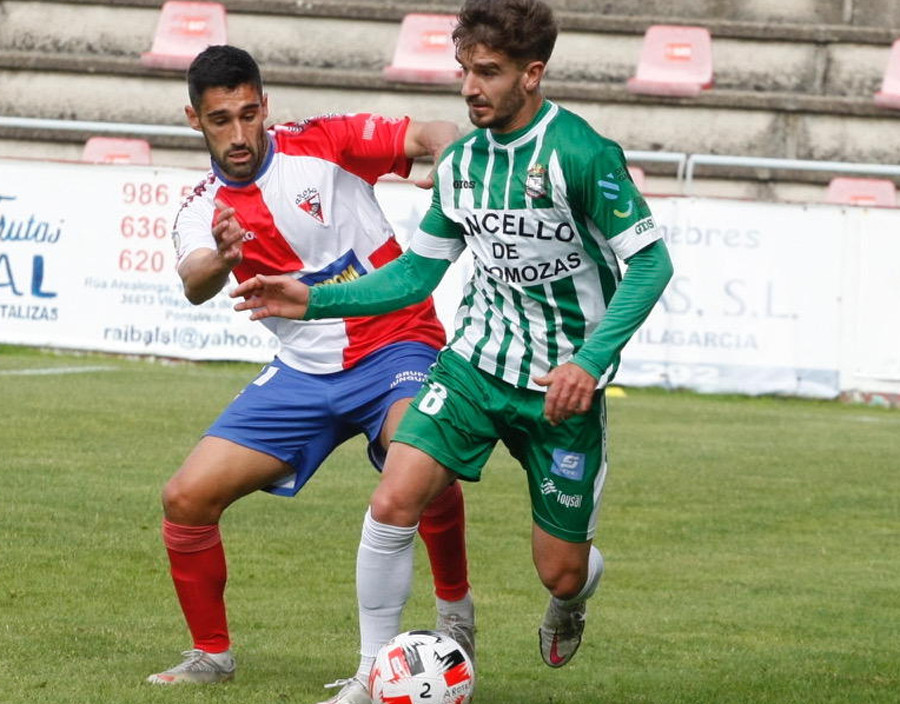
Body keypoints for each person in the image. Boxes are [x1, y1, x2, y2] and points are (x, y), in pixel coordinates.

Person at [232, 0, 674, 697]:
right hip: (472, 368)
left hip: (561, 387)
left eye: (489, 73)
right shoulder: (462, 161)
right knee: (392, 500)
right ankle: (373, 674)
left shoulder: (582, 154)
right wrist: (313, 298)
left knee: (559, 570)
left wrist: (590, 362)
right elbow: (415, 273)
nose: (470, 87)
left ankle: (572, 596)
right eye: (464, 70)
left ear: (533, 74)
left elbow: (651, 265)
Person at [146, 45, 475, 699]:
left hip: (396, 344)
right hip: (305, 371)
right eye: (220, 120)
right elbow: (193, 282)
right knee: (185, 499)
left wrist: (449, 159)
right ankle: (211, 654)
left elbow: (432, 131)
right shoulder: (200, 208)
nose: (239, 135)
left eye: (248, 114)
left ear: (265, 105)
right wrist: (220, 255)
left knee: (417, 458)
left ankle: (453, 614)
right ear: (194, 119)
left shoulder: (324, 143)